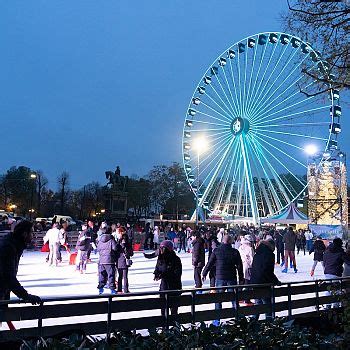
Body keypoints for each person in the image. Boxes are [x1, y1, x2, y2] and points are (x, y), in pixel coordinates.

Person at [0, 220, 41, 327]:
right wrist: (25, 296)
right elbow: (8, 276)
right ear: (24, 234)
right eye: (31, 232)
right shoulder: (8, 247)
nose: (33, 235)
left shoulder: (14, 244)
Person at [202, 235, 244, 326]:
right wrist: (241, 278)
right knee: (234, 299)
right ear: (230, 242)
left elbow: (210, 263)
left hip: (220, 278)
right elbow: (240, 266)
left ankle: (217, 320)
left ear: (222, 241)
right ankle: (237, 317)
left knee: (218, 299)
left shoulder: (216, 251)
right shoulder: (235, 252)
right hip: (232, 278)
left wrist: (204, 273)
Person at [250, 239, 281, 320]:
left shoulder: (258, 252)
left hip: (254, 282)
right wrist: (276, 281)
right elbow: (268, 270)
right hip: (264, 282)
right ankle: (269, 322)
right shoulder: (270, 255)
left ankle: (253, 322)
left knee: (258, 303)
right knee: (267, 304)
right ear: (271, 246)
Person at [153, 240, 182, 317]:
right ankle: (164, 326)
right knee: (163, 311)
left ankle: (173, 326)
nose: (162, 250)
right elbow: (157, 268)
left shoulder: (175, 259)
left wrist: (163, 275)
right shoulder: (160, 259)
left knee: (173, 312)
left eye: (163, 248)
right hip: (164, 288)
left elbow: (177, 274)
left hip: (174, 288)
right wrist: (156, 274)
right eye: (161, 248)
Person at [97, 226, 118, 295]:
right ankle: (112, 289)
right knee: (111, 275)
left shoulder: (100, 240)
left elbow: (98, 249)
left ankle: (100, 288)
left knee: (102, 274)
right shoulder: (111, 239)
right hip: (109, 260)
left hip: (101, 260)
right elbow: (115, 248)